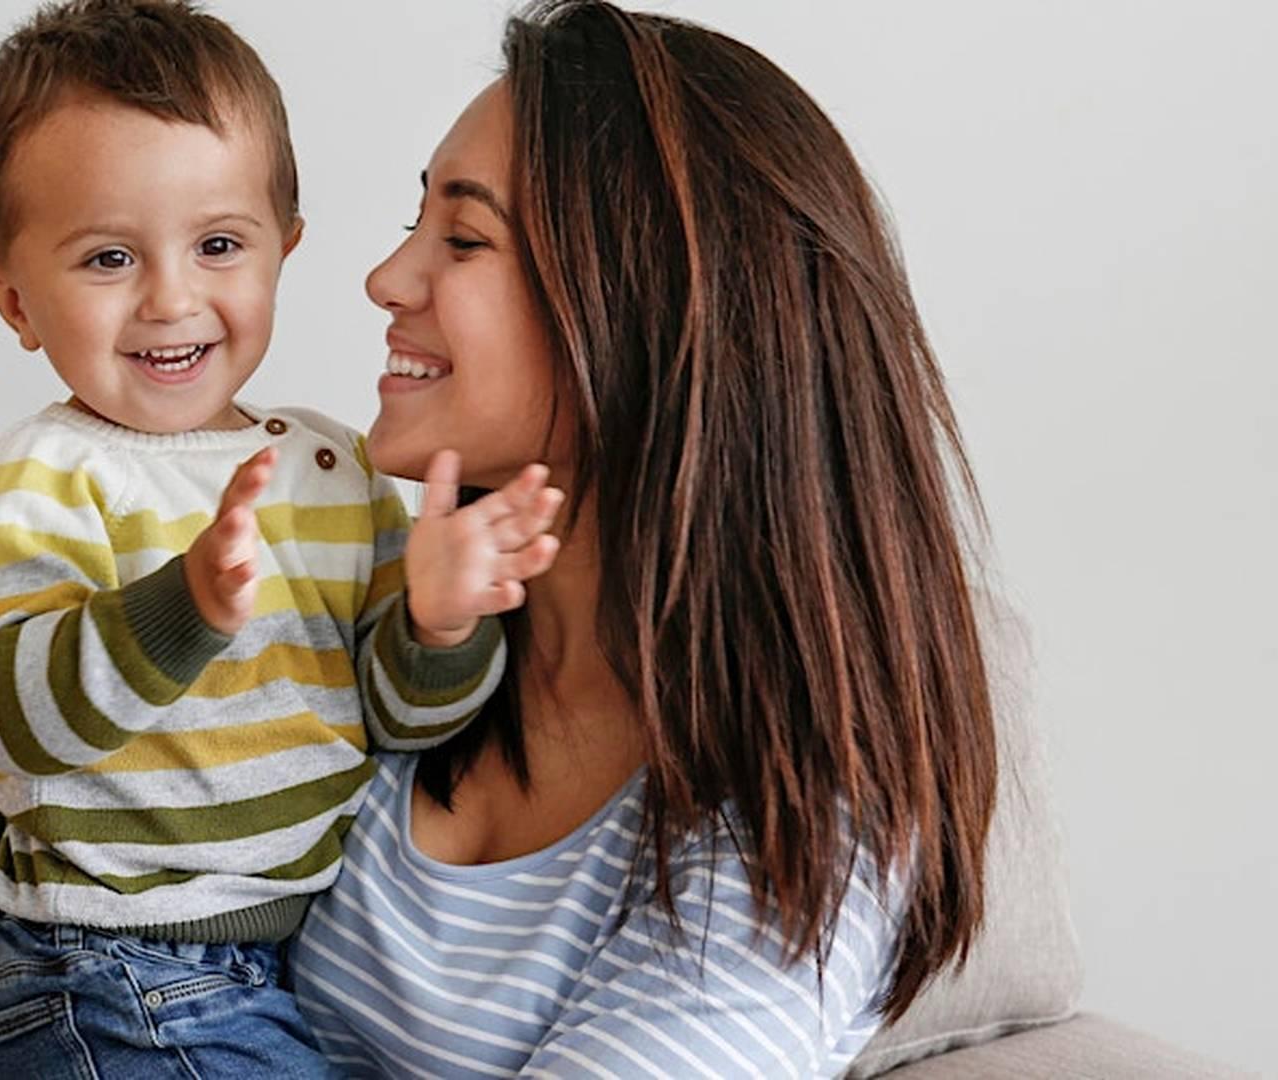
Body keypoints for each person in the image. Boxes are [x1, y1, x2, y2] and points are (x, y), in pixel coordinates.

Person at [290, 3, 999, 1076]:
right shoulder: (385, 622)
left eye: (464, 238)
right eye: (414, 222)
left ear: (643, 310)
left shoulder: (804, 815)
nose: (387, 281)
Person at [0, 2, 564, 1075]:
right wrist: (181, 604)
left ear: (285, 250)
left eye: (219, 245)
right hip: (107, 970)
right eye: (106, 260)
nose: (172, 299)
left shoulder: (337, 470)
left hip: (280, 964)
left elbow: (396, 718)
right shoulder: (44, 478)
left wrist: (439, 618)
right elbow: (14, 722)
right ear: (14, 303)